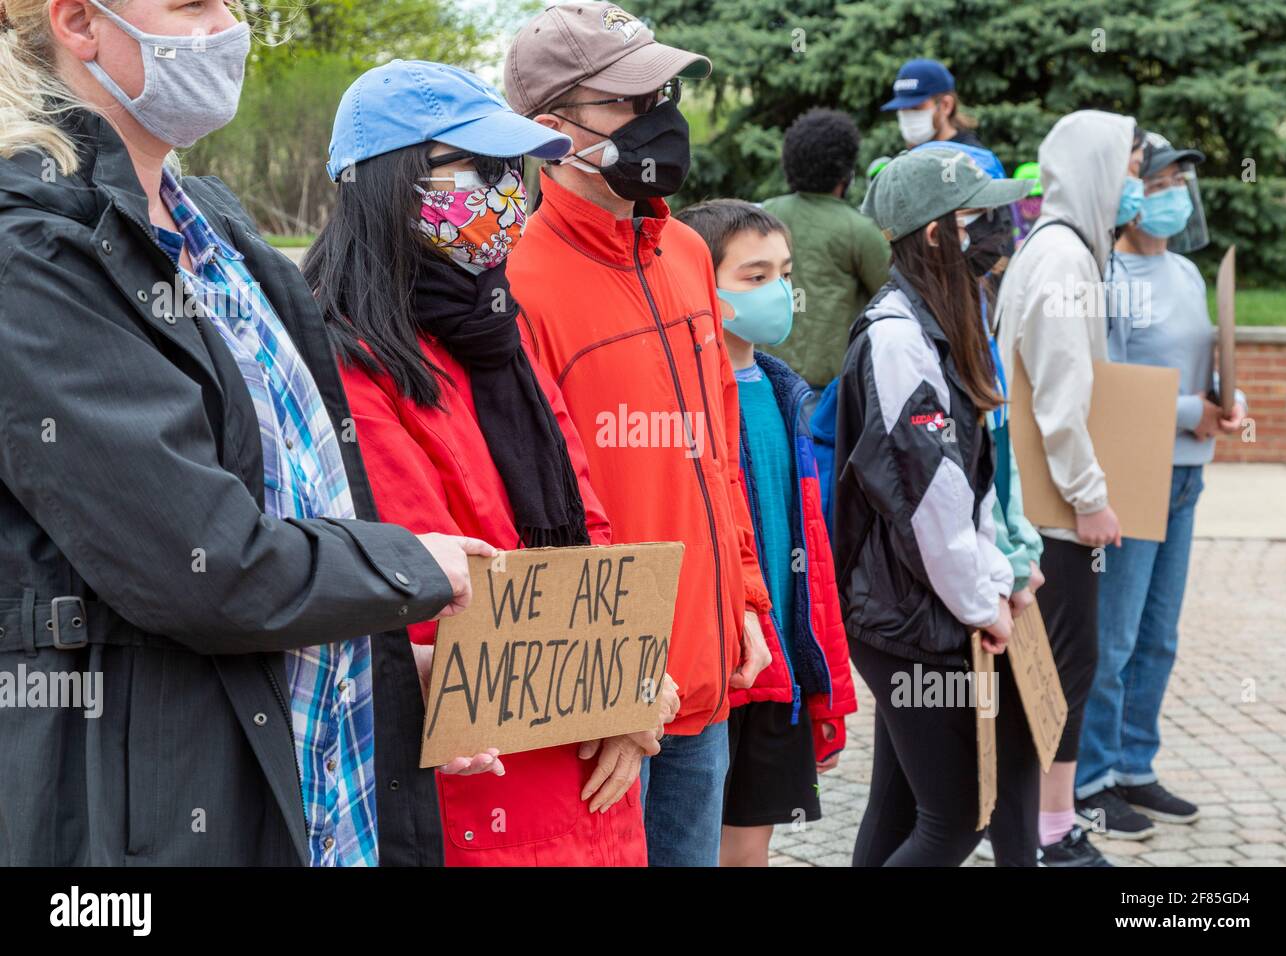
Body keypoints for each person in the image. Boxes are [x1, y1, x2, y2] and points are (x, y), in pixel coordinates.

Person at [0, 0, 490, 866]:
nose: (228, 27)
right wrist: (414, 564)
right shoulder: (33, 253)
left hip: (320, 789)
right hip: (154, 815)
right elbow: (200, 564)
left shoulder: (218, 236)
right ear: (79, 22)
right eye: (194, 5)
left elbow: (302, 503)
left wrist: (381, 679)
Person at [307, 60, 673, 866]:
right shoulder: (350, 365)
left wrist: (639, 678)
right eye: (477, 166)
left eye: (515, 167)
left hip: (595, 781)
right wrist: (616, 685)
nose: (509, 189)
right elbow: (436, 593)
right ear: (390, 184)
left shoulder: (494, 333)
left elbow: (591, 522)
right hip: (482, 796)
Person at [502, 1, 772, 867]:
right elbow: (530, 509)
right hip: (605, 712)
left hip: (706, 673)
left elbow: (717, 454)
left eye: (662, 90)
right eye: (629, 100)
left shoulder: (689, 251)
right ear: (553, 131)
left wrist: (746, 600)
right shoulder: (515, 278)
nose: (663, 116)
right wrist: (602, 684)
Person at [835, 147, 1040, 866]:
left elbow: (969, 485)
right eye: (978, 216)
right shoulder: (897, 338)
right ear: (935, 234)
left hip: (915, 607)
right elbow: (929, 499)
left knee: (898, 810)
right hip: (908, 617)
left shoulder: (938, 320)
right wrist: (983, 603)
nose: (998, 229)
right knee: (955, 817)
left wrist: (997, 578)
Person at [1074, 131, 1247, 838]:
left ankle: (1135, 765)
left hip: (1186, 477)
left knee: (1159, 635)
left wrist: (1225, 402)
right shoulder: (1102, 275)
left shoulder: (1183, 273)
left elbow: (1203, 361)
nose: (1174, 194)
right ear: (1128, 192)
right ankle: (1089, 780)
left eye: (1183, 182)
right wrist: (1190, 412)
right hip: (1132, 471)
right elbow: (1101, 383)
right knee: (1111, 639)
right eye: (1162, 180)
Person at [676, 199, 858, 867]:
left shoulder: (787, 392)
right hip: (715, 668)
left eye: (783, 273)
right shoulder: (683, 395)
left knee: (751, 850)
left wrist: (824, 677)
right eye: (754, 277)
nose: (779, 291)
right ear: (702, 284)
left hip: (779, 663)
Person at [994, 109, 1145, 866]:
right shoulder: (1062, 260)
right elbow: (1058, 397)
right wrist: (1090, 497)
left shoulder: (1058, 251)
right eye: (1126, 166)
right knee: (1060, 669)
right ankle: (1048, 832)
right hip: (1051, 514)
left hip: (1042, 506)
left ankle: (1033, 824)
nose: (1134, 184)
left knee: (1054, 667)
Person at [762, 108, 890, 392]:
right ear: (845, 171)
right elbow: (891, 296)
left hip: (767, 382)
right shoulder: (859, 230)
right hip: (831, 393)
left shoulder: (763, 217)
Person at [880, 58, 987, 150]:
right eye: (902, 108)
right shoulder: (905, 160)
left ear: (946, 105)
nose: (908, 114)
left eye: (916, 107)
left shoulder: (973, 160)